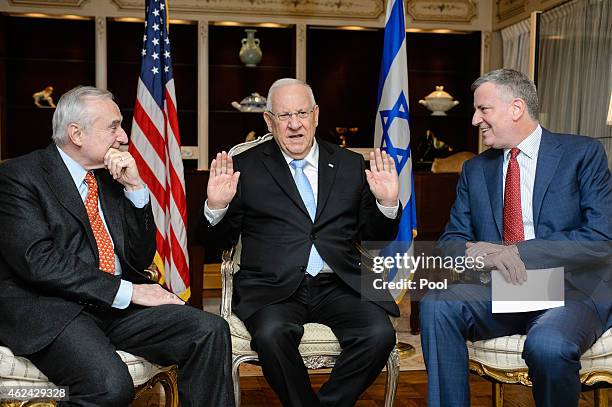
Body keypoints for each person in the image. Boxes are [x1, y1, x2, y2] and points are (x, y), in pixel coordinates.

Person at [0, 86, 235, 407]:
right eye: (113, 126)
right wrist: (132, 292)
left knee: (209, 330)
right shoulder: (19, 177)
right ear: (76, 134)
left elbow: (138, 257)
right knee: (110, 387)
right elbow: (39, 262)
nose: (123, 137)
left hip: (114, 309)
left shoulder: (110, 178)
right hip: (56, 310)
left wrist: (136, 189)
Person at [198, 78, 402, 407]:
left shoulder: (350, 165)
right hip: (271, 286)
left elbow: (378, 235)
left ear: (316, 115)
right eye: (284, 116)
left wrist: (387, 203)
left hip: (339, 283)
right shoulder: (245, 168)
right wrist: (217, 206)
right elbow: (215, 241)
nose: (295, 125)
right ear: (268, 120)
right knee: (272, 335)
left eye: (302, 113)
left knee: (379, 335)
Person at [420, 69, 612, 407]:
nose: (476, 118)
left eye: (484, 109)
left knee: (548, 345)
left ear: (516, 108)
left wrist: (516, 252)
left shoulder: (582, 154)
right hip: (504, 290)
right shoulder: (476, 170)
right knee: (437, 303)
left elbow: (599, 238)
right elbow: (451, 241)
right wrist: (487, 256)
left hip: (572, 289)